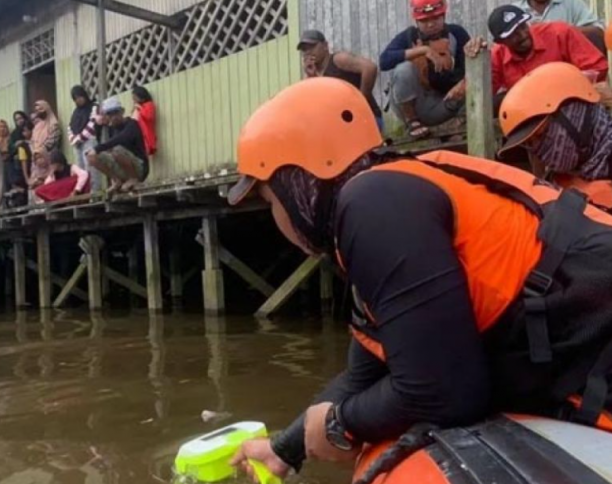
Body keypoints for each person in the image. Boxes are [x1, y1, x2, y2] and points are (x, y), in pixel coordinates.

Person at [225, 78, 612, 481]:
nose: (275, 219)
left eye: (271, 200)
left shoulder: (374, 206)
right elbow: (365, 373)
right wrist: (286, 446)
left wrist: (341, 424)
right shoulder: (387, 198)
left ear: (298, 181)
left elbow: (444, 393)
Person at [498, 62, 612, 210]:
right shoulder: (555, 183)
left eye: (541, 135)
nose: (539, 150)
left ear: (575, 114)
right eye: (530, 144)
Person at [379, 0, 470, 139]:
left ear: (444, 14)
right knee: (404, 69)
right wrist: (423, 51)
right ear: (416, 20)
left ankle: (460, 123)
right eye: (425, 20)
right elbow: (384, 61)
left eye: (435, 18)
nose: (430, 24)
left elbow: (471, 68)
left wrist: (462, 84)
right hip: (418, 105)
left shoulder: (456, 34)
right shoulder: (409, 37)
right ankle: (412, 122)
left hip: (446, 101)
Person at [465, 5, 608, 96]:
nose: (522, 35)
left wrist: (563, 86)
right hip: (529, 117)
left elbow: (598, 67)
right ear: (501, 42)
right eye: (513, 34)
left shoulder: (560, 32)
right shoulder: (498, 55)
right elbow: (480, 94)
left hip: (572, 101)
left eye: (522, 27)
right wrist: (475, 59)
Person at [297, 30, 383, 130]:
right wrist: (312, 77)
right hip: (340, 126)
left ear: (325, 46)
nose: (308, 52)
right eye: (304, 50)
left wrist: (361, 99)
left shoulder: (338, 60)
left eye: (312, 47)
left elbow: (370, 68)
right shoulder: (311, 76)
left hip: (367, 119)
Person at [515, 0, 605, 51]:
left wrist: (559, 32)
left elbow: (598, 32)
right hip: (530, 73)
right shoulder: (513, 12)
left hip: (566, 70)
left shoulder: (571, 3)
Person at [87, 97, 149, 193]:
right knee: (92, 157)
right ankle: (116, 180)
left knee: (117, 149)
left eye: (116, 112)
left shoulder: (132, 124)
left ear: (122, 111)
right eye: (110, 114)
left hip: (139, 168)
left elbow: (120, 139)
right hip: (122, 167)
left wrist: (98, 148)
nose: (113, 117)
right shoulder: (112, 129)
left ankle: (133, 179)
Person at [68, 85, 104, 193]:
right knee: (81, 169)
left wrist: (80, 137)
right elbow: (70, 126)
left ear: (84, 95)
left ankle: (95, 192)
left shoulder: (94, 107)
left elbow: (93, 124)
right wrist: (73, 139)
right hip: (77, 144)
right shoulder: (75, 112)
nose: (78, 100)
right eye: (75, 98)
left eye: (79, 96)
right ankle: (85, 193)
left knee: (91, 167)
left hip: (90, 140)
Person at [132, 85, 158, 156]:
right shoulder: (138, 106)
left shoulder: (149, 105)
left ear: (141, 97)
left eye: (135, 98)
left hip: (146, 135)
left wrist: (140, 109)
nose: (134, 100)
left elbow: (149, 117)